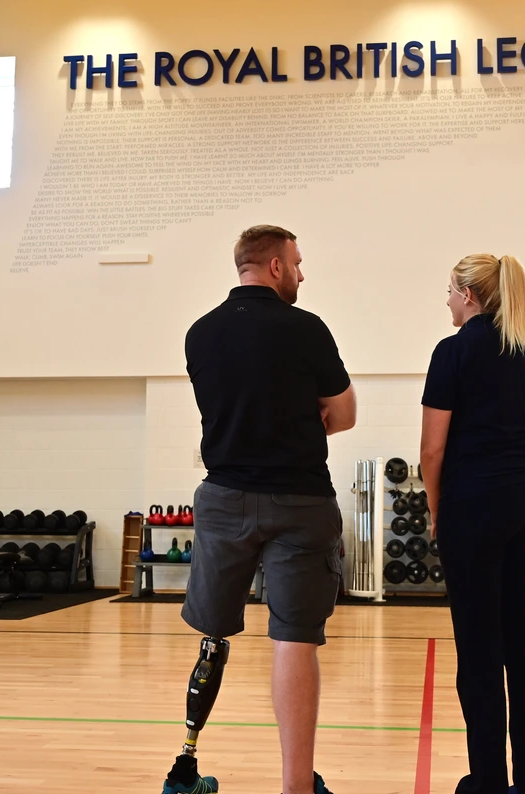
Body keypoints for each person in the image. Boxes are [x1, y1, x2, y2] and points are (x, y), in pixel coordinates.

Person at [163, 225, 356, 794]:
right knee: (295, 637)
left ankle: (185, 769)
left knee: (213, 636)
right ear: (274, 266)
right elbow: (343, 415)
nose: (301, 273)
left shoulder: (200, 333)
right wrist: (307, 414)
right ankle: (297, 785)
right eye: (297, 262)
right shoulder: (306, 329)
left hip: (223, 500)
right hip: (301, 500)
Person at [419, 254, 525, 794]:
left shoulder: (451, 352)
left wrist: (437, 512)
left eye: (451, 292)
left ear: (470, 295)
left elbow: (432, 451)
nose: (447, 301)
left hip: (475, 501)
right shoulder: (523, 356)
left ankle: (488, 784)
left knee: (479, 650)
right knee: (524, 642)